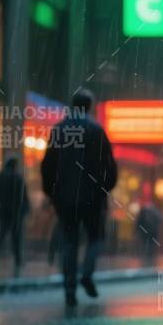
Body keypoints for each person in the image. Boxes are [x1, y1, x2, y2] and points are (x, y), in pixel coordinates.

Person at [41, 87, 118, 306]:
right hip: (92, 197)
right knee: (95, 238)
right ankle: (87, 273)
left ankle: (69, 288)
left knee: (69, 242)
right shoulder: (96, 130)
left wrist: (51, 192)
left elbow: (48, 165)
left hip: (65, 197)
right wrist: (104, 188)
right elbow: (110, 167)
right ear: (90, 106)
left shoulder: (59, 129)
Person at [0, 156, 29, 270]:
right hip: (15, 212)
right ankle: (17, 259)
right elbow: (23, 197)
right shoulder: (17, 178)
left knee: (1, 235)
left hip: (4, 212)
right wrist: (24, 210)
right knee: (15, 237)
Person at [135, 196, 162, 263]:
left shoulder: (143, 210)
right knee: (151, 243)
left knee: (145, 242)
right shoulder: (155, 210)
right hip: (153, 230)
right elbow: (160, 219)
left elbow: (139, 221)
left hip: (144, 229)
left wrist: (138, 229)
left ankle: (146, 254)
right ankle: (150, 255)